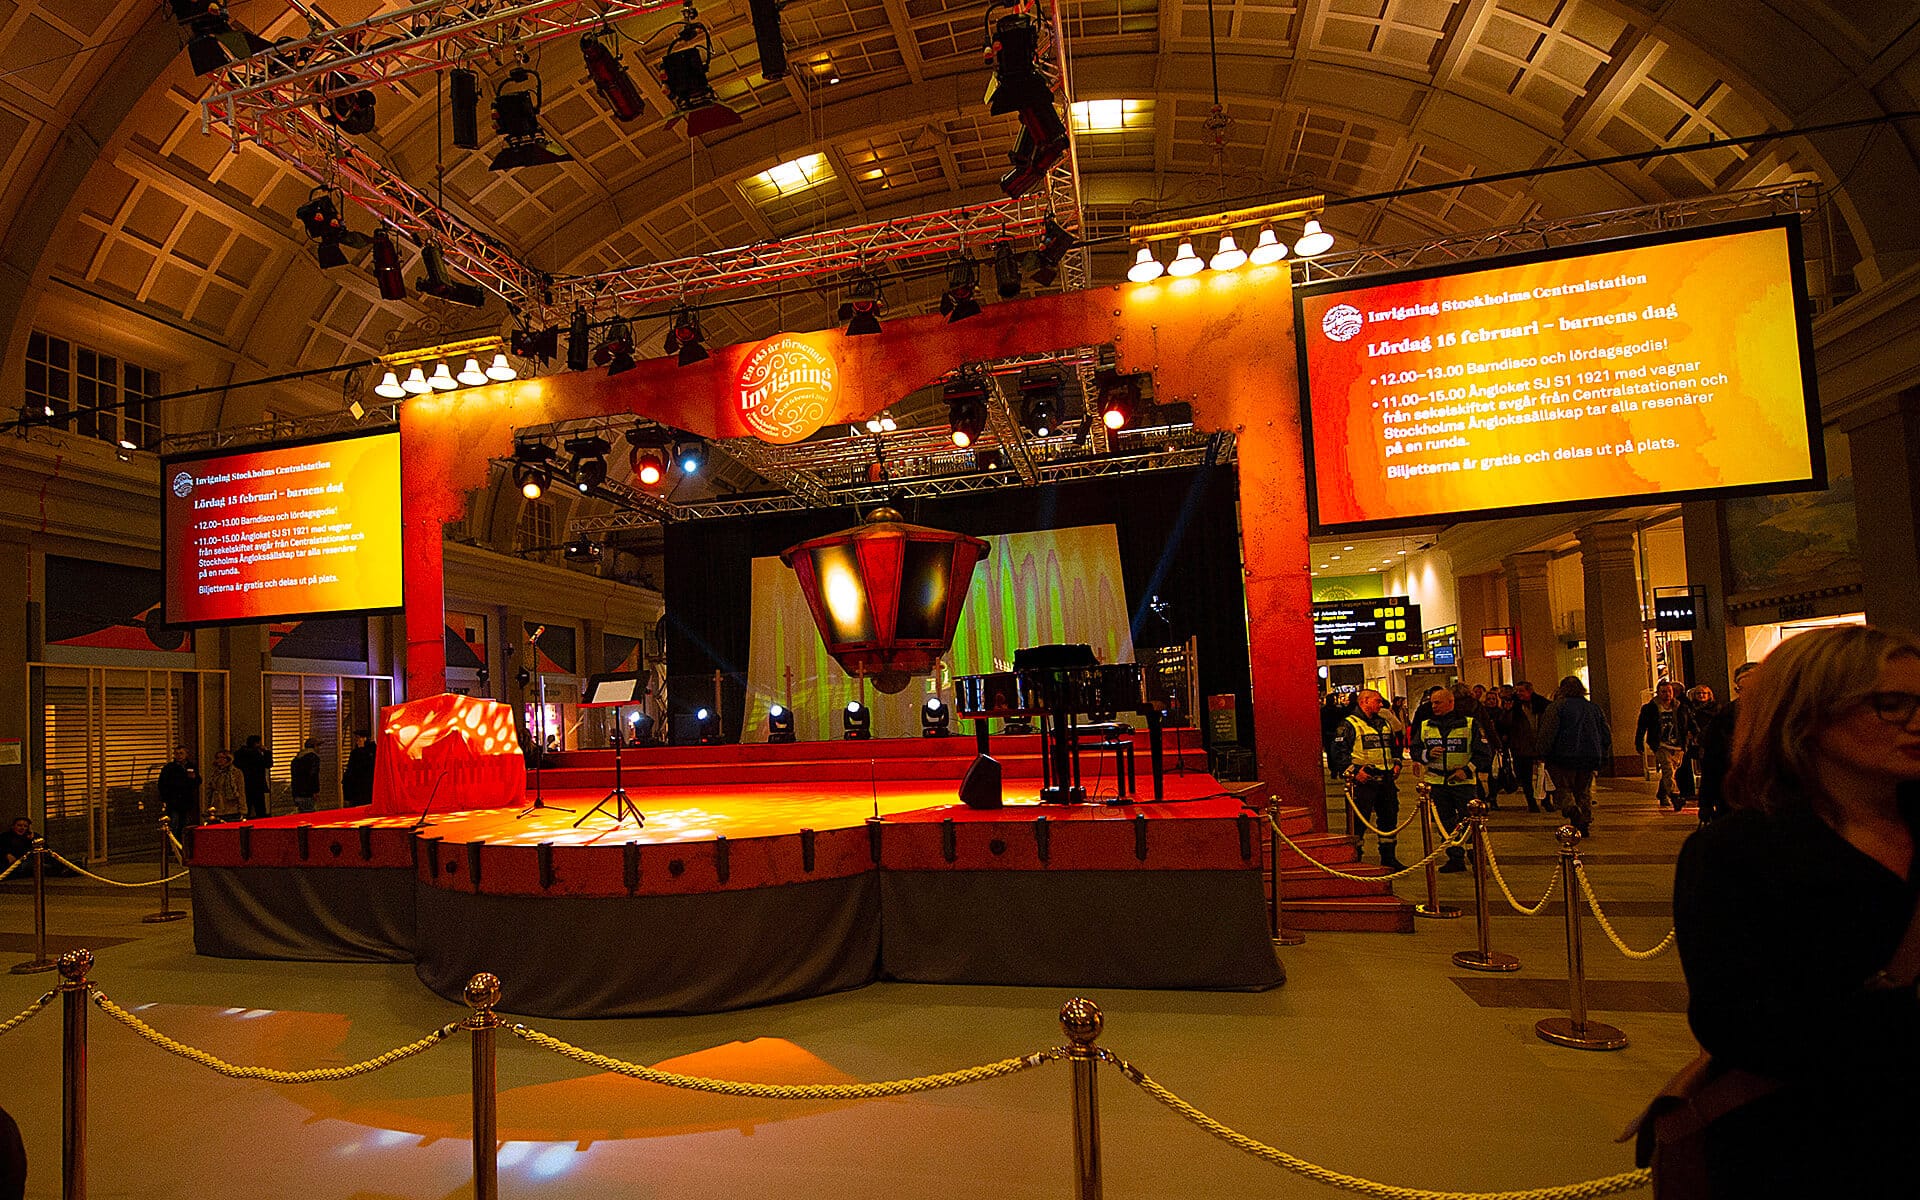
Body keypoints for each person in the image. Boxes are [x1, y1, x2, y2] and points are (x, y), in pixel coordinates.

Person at [1671, 625, 1920, 1198]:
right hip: (1807, 1151)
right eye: (1890, 703)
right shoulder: (1738, 853)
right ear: (1807, 714)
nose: (1914, 719)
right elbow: (1740, 1027)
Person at [1411, 685, 1491, 871]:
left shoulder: (1470, 724)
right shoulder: (1426, 725)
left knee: (1469, 822)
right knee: (1444, 822)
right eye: (1432, 703)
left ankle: (1477, 858)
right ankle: (1455, 857)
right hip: (1436, 783)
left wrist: (1467, 769)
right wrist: (1427, 754)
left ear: (1450, 703)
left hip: (1463, 783)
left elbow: (1484, 754)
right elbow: (1415, 750)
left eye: (1438, 703)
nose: (1434, 707)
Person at [1327, 688, 1406, 870]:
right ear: (1365, 701)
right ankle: (1355, 858)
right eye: (1377, 701)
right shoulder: (1348, 724)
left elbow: (1394, 746)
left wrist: (1397, 763)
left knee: (1388, 819)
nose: (1381, 704)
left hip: (1386, 780)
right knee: (1358, 823)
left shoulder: (1384, 723)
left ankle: (1388, 857)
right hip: (1363, 782)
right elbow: (1338, 752)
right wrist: (1354, 771)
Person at [1537, 675, 1612, 836]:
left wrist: (1542, 751)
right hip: (1589, 756)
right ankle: (1584, 820)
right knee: (1583, 790)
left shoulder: (1557, 707)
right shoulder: (1594, 708)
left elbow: (1548, 732)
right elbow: (1606, 734)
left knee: (1562, 788)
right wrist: (1602, 754)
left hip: (1562, 756)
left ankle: (1572, 811)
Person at [1697, 663, 1757, 824]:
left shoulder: (1779, 714)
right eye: (1741, 689)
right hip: (1732, 793)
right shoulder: (1726, 716)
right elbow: (1711, 762)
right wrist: (1706, 802)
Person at [1636, 680, 1695, 811]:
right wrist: (1639, 742)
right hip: (1661, 744)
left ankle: (1662, 793)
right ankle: (1675, 796)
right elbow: (1642, 726)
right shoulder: (1650, 708)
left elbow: (1690, 722)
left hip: (1678, 745)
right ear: (1658, 693)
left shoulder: (1681, 707)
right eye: (1663, 691)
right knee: (1668, 769)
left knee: (1671, 772)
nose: (1667, 694)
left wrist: (1697, 735)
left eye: (1669, 691)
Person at [1501, 680, 1551, 812]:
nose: (1518, 694)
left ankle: (1546, 801)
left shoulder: (1542, 704)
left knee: (1545, 774)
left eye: (1521, 691)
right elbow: (1504, 725)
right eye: (1516, 691)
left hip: (1540, 744)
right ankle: (1532, 803)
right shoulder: (1513, 706)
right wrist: (1507, 712)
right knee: (1525, 777)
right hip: (1521, 746)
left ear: (1530, 691)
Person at [156, 748, 200, 836]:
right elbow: (162, 783)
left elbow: (197, 782)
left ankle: (183, 844)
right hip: (173, 801)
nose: (179, 756)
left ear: (186, 754)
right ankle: (173, 846)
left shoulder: (190, 766)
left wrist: (194, 778)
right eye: (177, 753)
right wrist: (165, 798)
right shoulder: (169, 768)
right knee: (174, 824)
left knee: (185, 825)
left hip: (186, 801)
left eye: (181, 753)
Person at [234, 734, 270, 819]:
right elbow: (268, 764)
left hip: (244, 784)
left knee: (247, 807)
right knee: (260, 809)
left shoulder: (238, 754)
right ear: (256, 743)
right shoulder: (256, 754)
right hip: (257, 784)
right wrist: (266, 752)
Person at [203, 748, 243, 821]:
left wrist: (242, 809)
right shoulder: (215, 773)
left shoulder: (235, 772)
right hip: (217, 807)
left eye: (222, 758)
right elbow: (210, 790)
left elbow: (241, 790)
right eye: (218, 758)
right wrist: (207, 807)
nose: (220, 760)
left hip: (232, 807)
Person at [342, 731, 376, 807]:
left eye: (359, 739)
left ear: (365, 739)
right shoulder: (373, 752)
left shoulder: (357, 753)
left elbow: (351, 771)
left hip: (361, 788)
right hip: (363, 788)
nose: (357, 742)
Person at [290, 737, 322, 813]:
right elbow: (313, 775)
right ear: (314, 746)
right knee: (309, 813)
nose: (319, 748)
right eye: (318, 746)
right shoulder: (313, 757)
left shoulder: (297, 758)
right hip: (308, 793)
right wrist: (315, 790)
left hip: (297, 792)